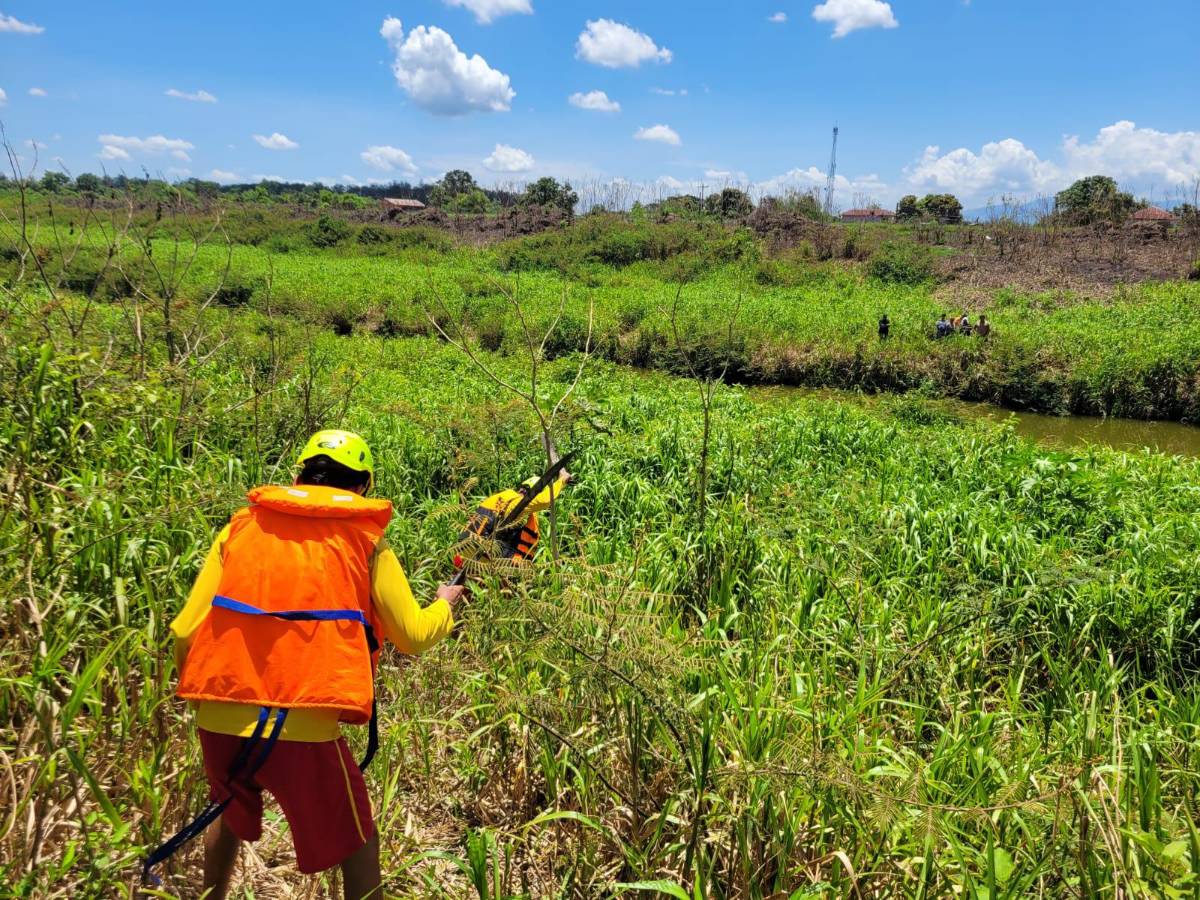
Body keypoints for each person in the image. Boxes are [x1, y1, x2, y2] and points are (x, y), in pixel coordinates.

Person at [167, 430, 461, 900]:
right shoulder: (366, 541)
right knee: (358, 839)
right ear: (363, 486)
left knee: (225, 810)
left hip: (219, 714)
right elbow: (413, 636)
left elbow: (185, 630)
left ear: (298, 475)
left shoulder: (240, 527)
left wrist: (206, 697)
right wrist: (445, 604)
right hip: (302, 727)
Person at [458, 463, 572, 566]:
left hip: (463, 552)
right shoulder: (515, 502)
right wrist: (562, 480)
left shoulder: (502, 498)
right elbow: (544, 500)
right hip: (476, 554)